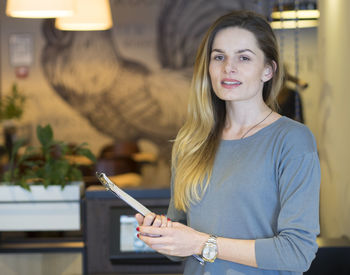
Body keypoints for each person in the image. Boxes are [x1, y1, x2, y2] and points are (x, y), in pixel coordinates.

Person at [135, 10, 320, 274]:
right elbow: (180, 246)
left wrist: (202, 243)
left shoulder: (293, 140)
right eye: (219, 57)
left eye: (244, 57)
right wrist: (164, 237)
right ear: (208, 67)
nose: (228, 68)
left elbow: (297, 253)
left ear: (268, 70)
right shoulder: (191, 141)